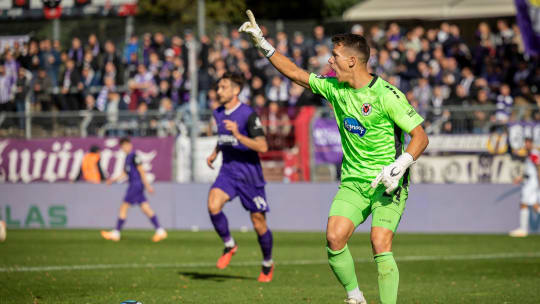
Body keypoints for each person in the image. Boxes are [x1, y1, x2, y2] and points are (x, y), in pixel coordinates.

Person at [240, 11, 429, 303]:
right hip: (353, 183)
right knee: (334, 238)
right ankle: (356, 298)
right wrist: (263, 44)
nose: (330, 61)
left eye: (335, 56)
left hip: (387, 183)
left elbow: (420, 136)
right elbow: (294, 73)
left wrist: (400, 165)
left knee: (380, 242)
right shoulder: (335, 89)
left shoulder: (387, 95)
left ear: (352, 61)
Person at [206, 72, 274, 282]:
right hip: (228, 172)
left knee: (258, 222)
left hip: (249, 176)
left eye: (223, 87)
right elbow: (223, 138)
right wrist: (215, 152)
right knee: (213, 205)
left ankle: (267, 263)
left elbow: (262, 146)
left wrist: (239, 135)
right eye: (218, 87)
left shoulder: (248, 114)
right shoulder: (218, 113)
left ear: (236, 90)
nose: (219, 91)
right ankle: (229, 244)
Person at [101, 137, 167, 242]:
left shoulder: (134, 156)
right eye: (122, 146)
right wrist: (113, 180)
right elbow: (124, 174)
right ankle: (160, 231)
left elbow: (141, 170)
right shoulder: (127, 158)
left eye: (126, 145)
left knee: (124, 207)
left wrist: (148, 185)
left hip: (136, 185)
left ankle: (116, 233)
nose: (124, 148)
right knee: (146, 208)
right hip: (135, 185)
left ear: (130, 145)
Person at [509, 137, 540, 237]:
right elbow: (529, 170)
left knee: (523, 203)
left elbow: (538, 166)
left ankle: (523, 229)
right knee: (535, 206)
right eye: (525, 143)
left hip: (531, 182)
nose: (526, 145)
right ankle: (523, 229)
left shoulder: (533, 153)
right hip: (529, 180)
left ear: (531, 144)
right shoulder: (529, 154)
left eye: (528, 143)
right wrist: (520, 178)